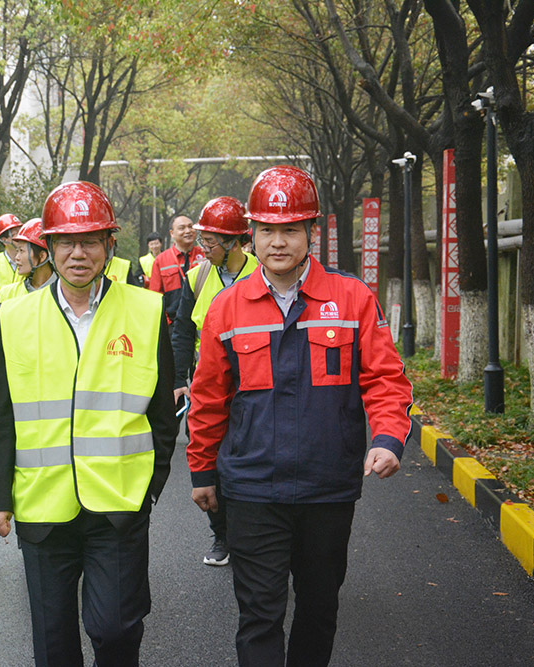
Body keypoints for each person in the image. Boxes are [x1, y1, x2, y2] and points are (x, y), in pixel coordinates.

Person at [187, 166, 413, 666]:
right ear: (251, 235)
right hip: (252, 489)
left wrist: (387, 439)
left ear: (312, 231)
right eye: (266, 230)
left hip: (326, 488)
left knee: (318, 607)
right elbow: (208, 398)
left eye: (290, 230)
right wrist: (202, 470)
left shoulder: (352, 298)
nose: (278, 242)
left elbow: (385, 379)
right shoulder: (227, 308)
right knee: (259, 614)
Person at [0, 181, 177, 667]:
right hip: (42, 504)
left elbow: (161, 413)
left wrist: (150, 487)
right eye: (66, 242)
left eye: (90, 241)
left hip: (119, 503)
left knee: (116, 630)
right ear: (48, 247)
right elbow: (1, 413)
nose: (78, 253)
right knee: (53, 642)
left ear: (109, 245)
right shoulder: (15, 316)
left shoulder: (145, 310)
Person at [171, 196, 258, 568]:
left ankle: (252, 535)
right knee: (209, 462)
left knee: (249, 462)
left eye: (209, 241)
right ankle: (221, 533)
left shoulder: (262, 273)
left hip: (252, 388)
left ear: (234, 241)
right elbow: (181, 331)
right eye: (202, 240)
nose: (202, 247)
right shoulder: (198, 276)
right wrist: (179, 378)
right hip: (207, 387)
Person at [148, 215, 205, 325]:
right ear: (172, 233)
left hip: (202, 322)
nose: (188, 231)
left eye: (190, 227)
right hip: (174, 324)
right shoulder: (161, 260)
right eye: (182, 228)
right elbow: (155, 296)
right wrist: (166, 323)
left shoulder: (205, 256)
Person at [0, 217, 56, 303]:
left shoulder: (67, 293)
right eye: (17, 251)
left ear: (42, 256)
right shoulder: (7, 294)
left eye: (21, 251)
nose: (17, 258)